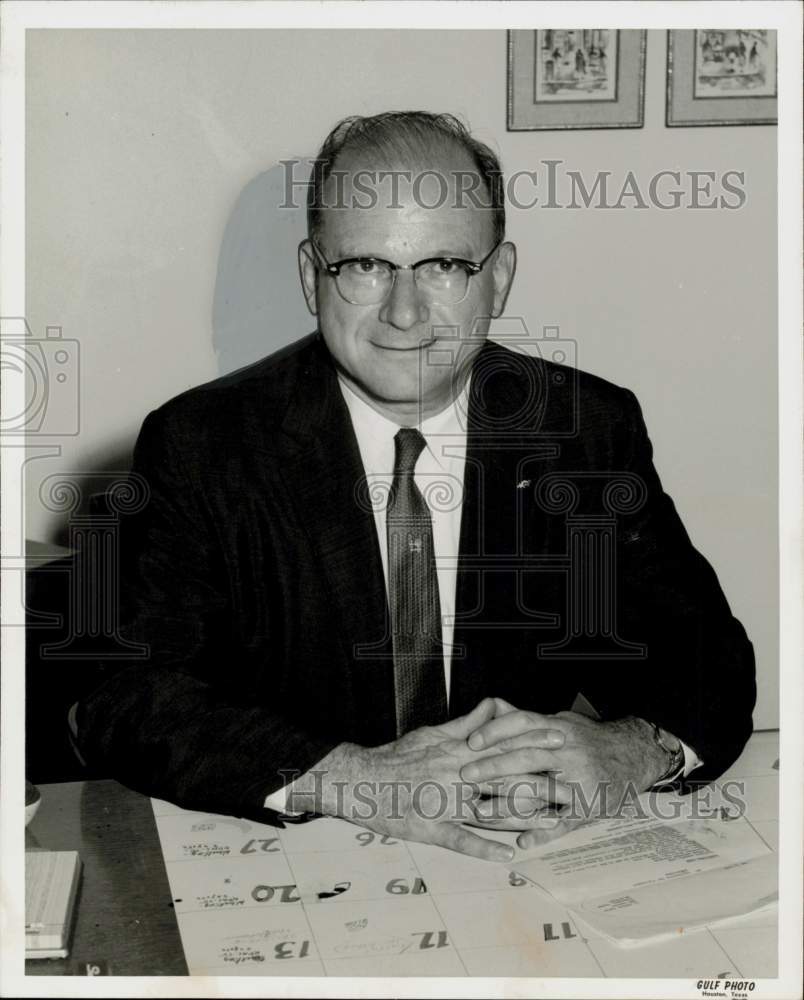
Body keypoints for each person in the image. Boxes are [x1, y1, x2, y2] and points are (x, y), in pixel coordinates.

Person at [75, 111, 755, 862]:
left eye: (444, 267)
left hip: (516, 854)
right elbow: (124, 691)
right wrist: (345, 776)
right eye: (366, 266)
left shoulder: (582, 430)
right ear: (310, 276)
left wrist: (632, 749)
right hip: (308, 850)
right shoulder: (203, 445)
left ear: (498, 276)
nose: (405, 314)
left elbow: (704, 656)